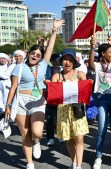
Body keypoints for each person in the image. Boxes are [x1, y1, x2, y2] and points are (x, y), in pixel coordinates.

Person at [4, 19, 65, 169]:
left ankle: (37, 142)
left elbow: (50, 47)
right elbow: (13, 88)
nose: (35, 56)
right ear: (28, 53)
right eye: (33, 53)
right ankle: (29, 162)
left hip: (37, 100)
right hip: (21, 102)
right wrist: (8, 105)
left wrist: (54, 30)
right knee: (25, 135)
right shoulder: (18, 67)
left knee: (37, 132)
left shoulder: (43, 64)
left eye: (38, 55)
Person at [49, 49, 89, 169]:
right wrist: (50, 85)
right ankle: (74, 162)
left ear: (74, 62)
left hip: (78, 110)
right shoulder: (57, 76)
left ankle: (79, 165)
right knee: (69, 139)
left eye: (70, 60)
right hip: (63, 111)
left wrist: (88, 83)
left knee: (79, 138)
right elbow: (53, 95)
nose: (67, 62)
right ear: (61, 61)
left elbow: (86, 91)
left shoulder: (80, 74)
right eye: (65, 59)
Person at [89, 38, 111, 169]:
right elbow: (91, 64)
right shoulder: (97, 66)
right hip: (101, 98)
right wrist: (92, 47)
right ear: (103, 53)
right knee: (102, 127)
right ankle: (98, 156)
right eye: (110, 52)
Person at [45, 54, 61, 146]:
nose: (55, 62)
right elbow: (46, 79)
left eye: (57, 60)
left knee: (60, 116)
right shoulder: (48, 69)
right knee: (50, 118)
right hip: (50, 96)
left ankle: (60, 134)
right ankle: (50, 137)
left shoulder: (63, 69)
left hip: (61, 96)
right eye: (54, 60)